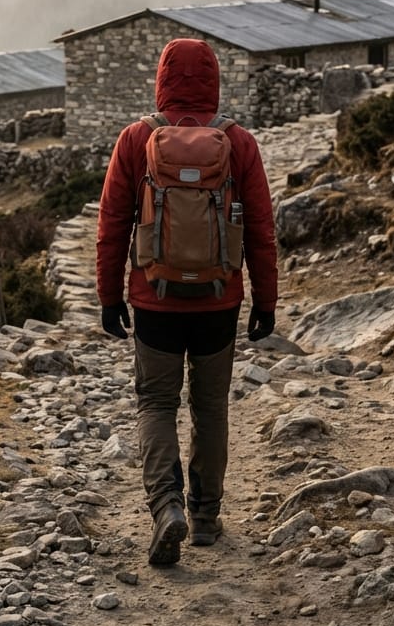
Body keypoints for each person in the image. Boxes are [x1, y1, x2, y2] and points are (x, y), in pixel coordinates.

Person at [96, 37, 278, 566]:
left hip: (154, 299)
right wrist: (265, 301)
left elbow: (111, 226)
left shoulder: (136, 139)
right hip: (219, 301)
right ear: (215, 80)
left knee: (156, 403)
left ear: (162, 78)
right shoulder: (238, 142)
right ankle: (204, 515)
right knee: (210, 407)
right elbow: (262, 230)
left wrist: (110, 297)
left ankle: (166, 506)